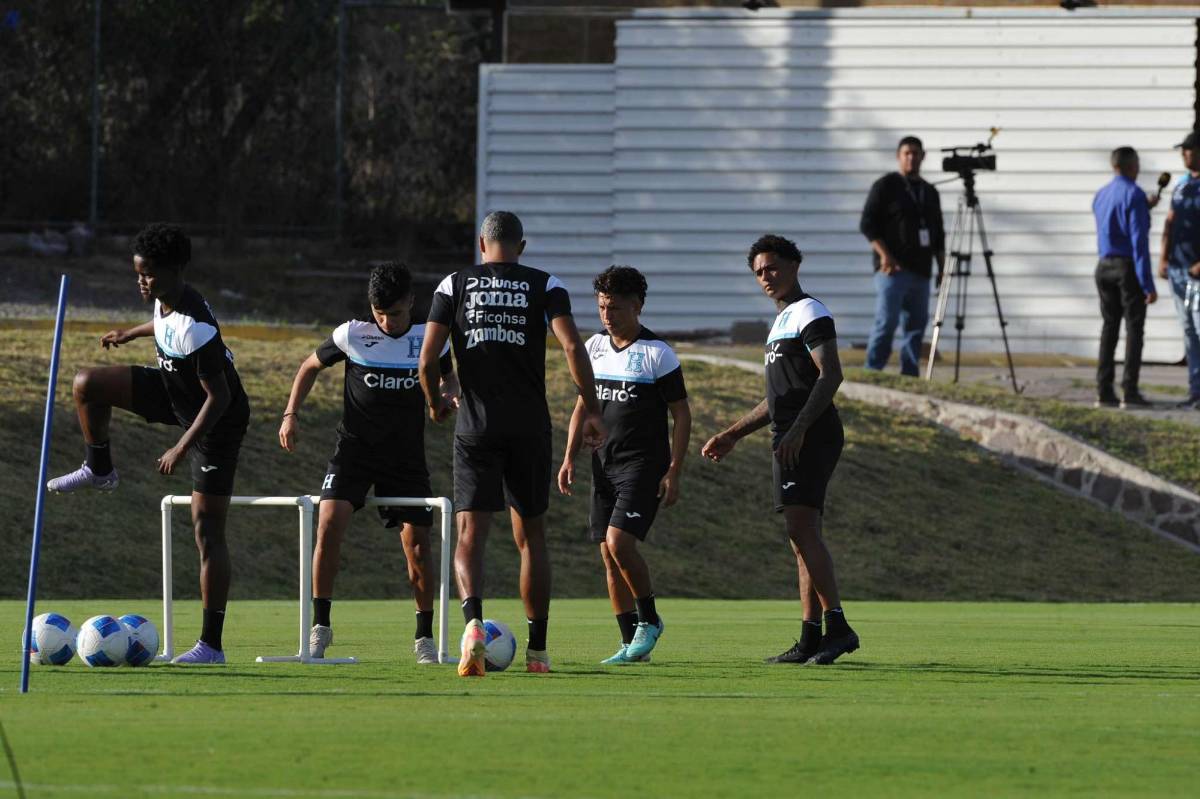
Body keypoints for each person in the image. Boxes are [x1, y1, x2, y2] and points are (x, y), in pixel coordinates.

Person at [47, 222, 250, 665]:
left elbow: (221, 397)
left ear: (177, 270)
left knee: (206, 530)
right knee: (88, 384)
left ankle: (211, 646)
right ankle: (99, 469)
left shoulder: (198, 327)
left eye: (150, 274)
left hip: (216, 420)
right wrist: (129, 334)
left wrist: (181, 447)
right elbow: (162, 324)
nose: (142, 281)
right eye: (138, 273)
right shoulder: (165, 300)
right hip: (175, 392)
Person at [419, 210, 605, 676]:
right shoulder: (545, 284)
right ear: (521, 247)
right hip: (528, 426)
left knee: (469, 536)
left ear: (482, 244)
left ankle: (473, 624)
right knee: (531, 539)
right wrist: (593, 406)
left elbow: (428, 357)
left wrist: (436, 401)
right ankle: (538, 653)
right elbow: (571, 347)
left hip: (475, 427)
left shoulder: (453, 284)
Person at [278, 263, 458, 664]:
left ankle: (424, 637)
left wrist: (447, 398)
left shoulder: (429, 338)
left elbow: (449, 379)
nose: (385, 321)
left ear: (412, 302)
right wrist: (291, 413)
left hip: (405, 458)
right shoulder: (352, 333)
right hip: (354, 452)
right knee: (328, 520)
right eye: (379, 312)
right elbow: (308, 367)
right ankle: (320, 628)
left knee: (417, 546)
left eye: (393, 313)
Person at [701, 234, 858, 666]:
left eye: (772, 268)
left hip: (811, 434)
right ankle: (811, 637)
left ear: (793, 265)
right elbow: (777, 398)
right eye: (758, 272)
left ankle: (838, 628)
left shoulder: (809, 310)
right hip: (789, 434)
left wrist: (798, 431)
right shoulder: (781, 323)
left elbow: (831, 376)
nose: (765, 277)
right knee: (800, 536)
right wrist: (734, 433)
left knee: (801, 529)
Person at [557, 266, 691, 665]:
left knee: (620, 543)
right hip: (603, 465)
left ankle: (649, 620)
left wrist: (675, 471)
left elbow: (681, 416)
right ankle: (631, 643)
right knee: (606, 553)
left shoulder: (657, 354)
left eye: (614, 307)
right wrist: (568, 457)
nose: (606, 315)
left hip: (642, 465)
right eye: (601, 307)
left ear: (637, 305)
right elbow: (584, 403)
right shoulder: (594, 347)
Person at [860, 135, 946, 376]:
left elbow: (938, 233)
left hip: (921, 270)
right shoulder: (886, 186)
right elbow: (868, 225)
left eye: (916, 153)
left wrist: (942, 268)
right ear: (899, 156)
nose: (912, 158)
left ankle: (910, 374)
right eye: (907, 153)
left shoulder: (929, 192)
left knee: (916, 326)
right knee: (886, 322)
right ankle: (873, 371)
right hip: (892, 270)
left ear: (923, 157)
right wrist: (884, 255)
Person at [1093, 146, 1158, 408]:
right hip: (1126, 267)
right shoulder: (1134, 195)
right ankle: (1129, 391)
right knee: (1134, 329)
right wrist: (1147, 284)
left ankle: (1103, 389)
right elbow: (1138, 242)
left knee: (1109, 327)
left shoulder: (1101, 194)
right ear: (1132, 166)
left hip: (1103, 265)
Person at [1159, 132, 1200, 409]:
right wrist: (1163, 258)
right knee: (1188, 332)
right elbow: (1170, 223)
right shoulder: (1181, 185)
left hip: (1198, 271)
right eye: (1182, 151)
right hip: (1178, 268)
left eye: (1189, 150)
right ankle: (1195, 391)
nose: (1185, 155)